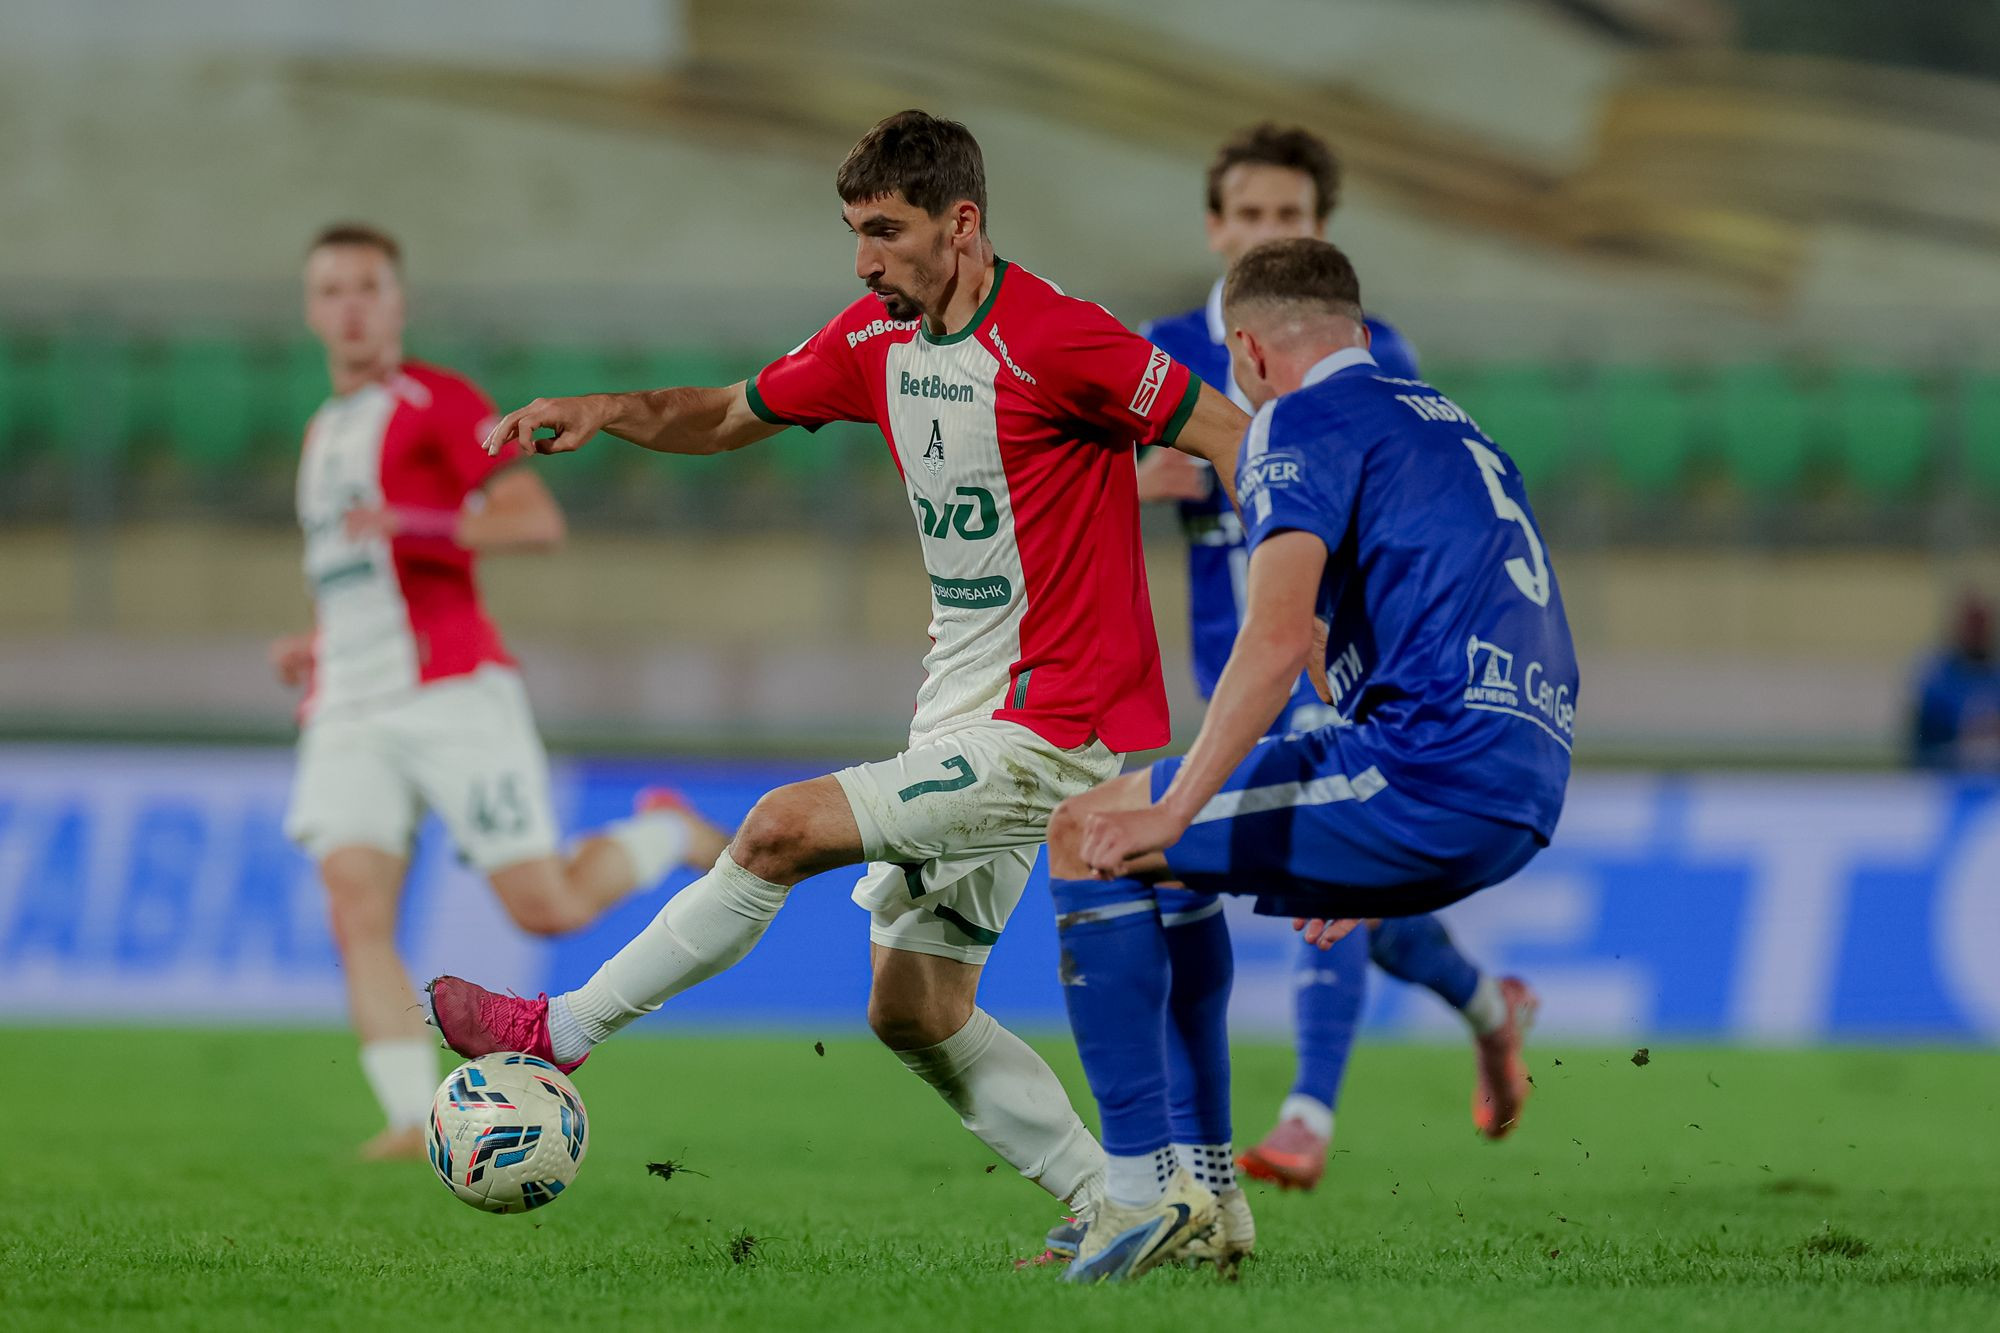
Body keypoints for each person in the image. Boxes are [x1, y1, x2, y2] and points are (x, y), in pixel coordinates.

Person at [421, 111, 1250, 1232]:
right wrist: (606, 410)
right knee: (913, 1008)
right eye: (855, 231)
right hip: (957, 710)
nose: (863, 260)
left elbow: (1232, 436)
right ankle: (1125, 1207)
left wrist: (1298, 590)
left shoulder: (1058, 339)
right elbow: (728, 413)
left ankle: (556, 1030)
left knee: (776, 828)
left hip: (1054, 721)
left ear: (961, 225)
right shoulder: (875, 340)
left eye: (885, 231)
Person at [1044, 237, 1577, 1283]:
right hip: (1524, 769)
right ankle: (1209, 1192)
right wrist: (1346, 850)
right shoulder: (1449, 424)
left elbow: (1277, 633)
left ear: (1245, 350)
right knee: (1174, 863)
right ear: (1359, 333)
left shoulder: (1294, 421)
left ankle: (1142, 1194)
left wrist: (1174, 807)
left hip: (1429, 770)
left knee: (1090, 831)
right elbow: (1358, 645)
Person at [1126, 125, 1538, 1206]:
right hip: (1227, 660)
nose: (1267, 230)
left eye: (1290, 215)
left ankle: (1302, 1117)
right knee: (1365, 906)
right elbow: (1068, 485)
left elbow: (1396, 504)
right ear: (1216, 227)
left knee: (1312, 877)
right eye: (1251, 214)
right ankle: (1488, 1007)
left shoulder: (1370, 355)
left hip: (1323, 660)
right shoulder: (1158, 348)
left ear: (1319, 229)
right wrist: (1134, 482)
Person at [278, 223, 727, 1161]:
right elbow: (358, 575)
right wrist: (317, 646)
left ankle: (668, 832)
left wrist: (414, 520)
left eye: (368, 287)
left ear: (398, 303)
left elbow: (534, 519)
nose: (351, 306)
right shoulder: (323, 432)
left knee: (544, 904)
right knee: (354, 903)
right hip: (348, 703)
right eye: (332, 290)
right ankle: (412, 1118)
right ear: (312, 309)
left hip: (449, 691)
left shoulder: (437, 402)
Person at [1910, 591, 2000, 771]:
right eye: (1972, 625)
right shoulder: (1936, 682)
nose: (1978, 633)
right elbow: (1922, 745)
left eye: (1982, 624)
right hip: (1947, 777)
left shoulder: (1995, 676)